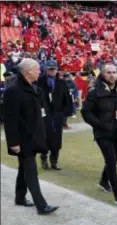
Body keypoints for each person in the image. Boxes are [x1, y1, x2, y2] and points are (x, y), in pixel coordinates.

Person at [3, 58, 59, 215]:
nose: (40, 72)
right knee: (31, 170)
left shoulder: (36, 89)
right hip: (22, 140)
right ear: (28, 71)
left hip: (35, 137)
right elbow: (10, 120)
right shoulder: (13, 91)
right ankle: (41, 205)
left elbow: (42, 114)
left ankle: (20, 197)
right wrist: (13, 142)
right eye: (37, 69)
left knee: (24, 169)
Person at [81, 64, 117, 205]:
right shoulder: (94, 92)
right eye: (108, 72)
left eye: (114, 72)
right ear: (102, 74)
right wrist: (99, 124)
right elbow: (86, 112)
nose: (112, 75)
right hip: (103, 134)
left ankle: (104, 181)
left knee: (114, 159)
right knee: (110, 161)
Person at [37, 60, 73, 170]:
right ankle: (44, 158)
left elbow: (67, 98)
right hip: (43, 114)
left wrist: (66, 113)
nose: (52, 71)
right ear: (45, 69)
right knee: (44, 137)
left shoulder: (62, 83)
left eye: (54, 69)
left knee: (57, 138)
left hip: (57, 114)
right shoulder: (38, 82)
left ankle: (54, 160)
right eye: (50, 69)